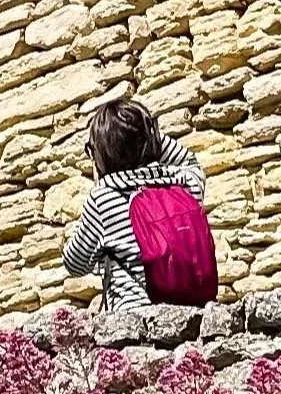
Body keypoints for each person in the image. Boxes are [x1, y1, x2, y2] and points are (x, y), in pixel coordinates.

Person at [64, 98, 213, 311]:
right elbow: (189, 161)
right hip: (193, 316)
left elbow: (74, 263)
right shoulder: (185, 184)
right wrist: (146, 136)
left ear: (100, 154)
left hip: (133, 322)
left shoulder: (103, 199)